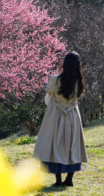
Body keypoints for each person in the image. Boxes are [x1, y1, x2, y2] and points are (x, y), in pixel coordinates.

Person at [33, 52, 88, 187]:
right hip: (72, 115)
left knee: (55, 145)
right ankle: (69, 178)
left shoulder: (54, 80)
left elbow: (49, 98)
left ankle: (58, 180)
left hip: (56, 115)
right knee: (72, 145)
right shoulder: (79, 82)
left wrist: (57, 74)